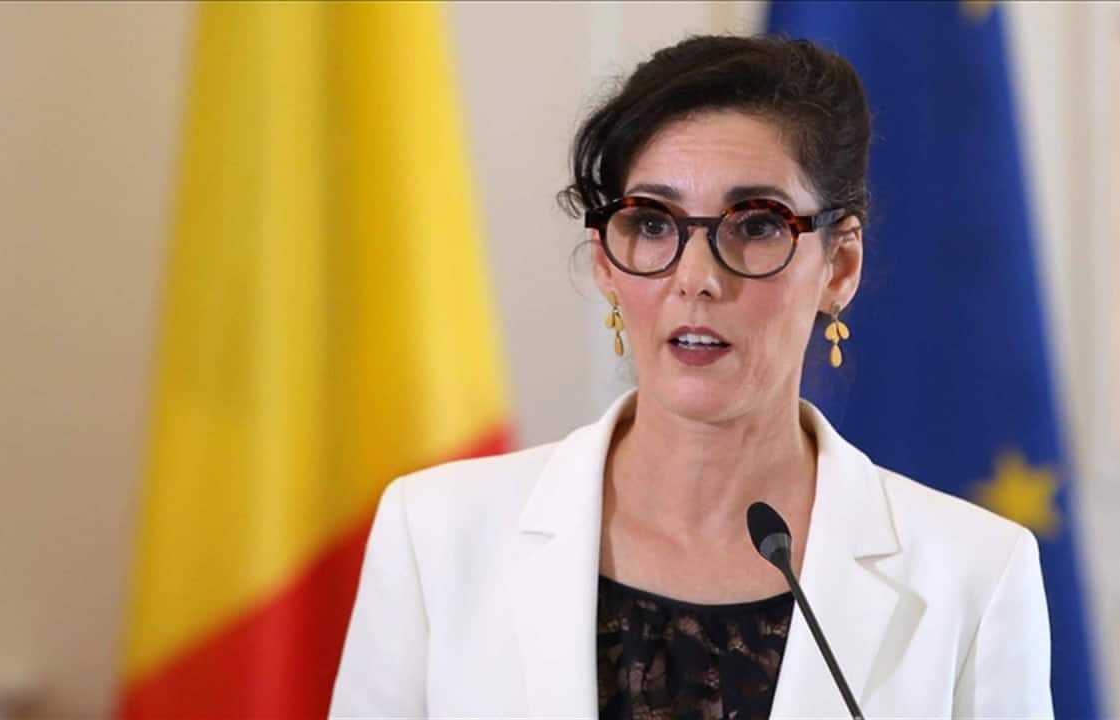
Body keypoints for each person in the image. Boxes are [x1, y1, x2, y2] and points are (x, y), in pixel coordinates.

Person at [329, 34, 1053, 720]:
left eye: (756, 224)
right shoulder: (436, 536)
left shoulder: (976, 577)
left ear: (839, 267)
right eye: (652, 223)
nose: (697, 277)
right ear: (605, 262)